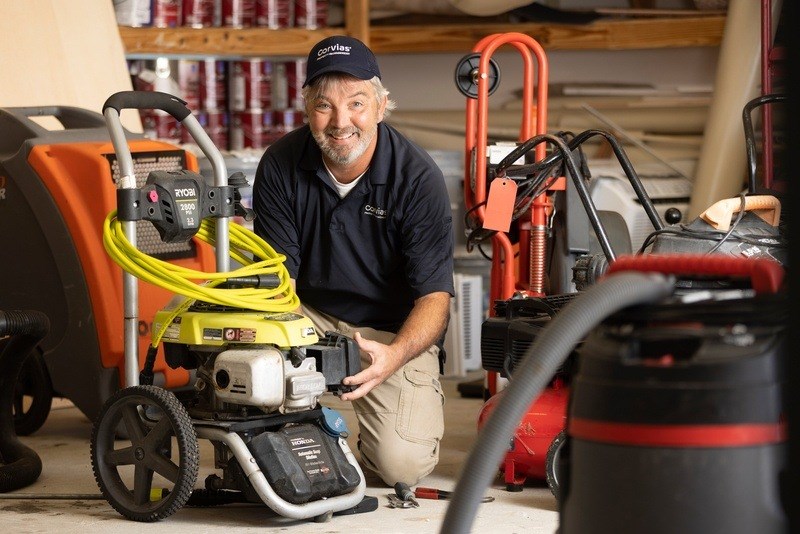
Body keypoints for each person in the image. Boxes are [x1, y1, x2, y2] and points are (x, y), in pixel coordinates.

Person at [252, 35, 455, 487]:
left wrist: (393, 356)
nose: (341, 122)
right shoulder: (280, 164)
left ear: (382, 107)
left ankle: (360, 434)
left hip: (388, 333)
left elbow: (435, 299)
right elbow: (278, 285)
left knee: (402, 467)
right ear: (307, 109)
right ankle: (297, 422)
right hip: (308, 317)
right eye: (324, 106)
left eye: (357, 103)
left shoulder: (417, 177)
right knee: (221, 333)